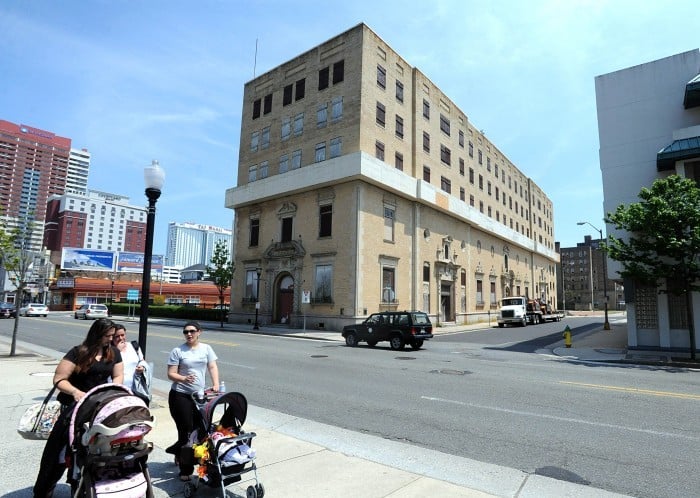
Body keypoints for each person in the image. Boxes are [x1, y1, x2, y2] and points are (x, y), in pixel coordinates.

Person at [33, 318, 123, 498]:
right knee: (59, 452)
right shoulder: (78, 352)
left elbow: (118, 375)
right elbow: (59, 379)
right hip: (72, 408)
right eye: (108, 336)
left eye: (113, 336)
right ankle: (44, 489)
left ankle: (81, 485)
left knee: (90, 452)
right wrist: (75, 392)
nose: (111, 339)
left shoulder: (113, 353)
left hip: (96, 408)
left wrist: (113, 392)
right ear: (97, 334)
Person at [166, 321, 220, 481]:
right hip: (180, 396)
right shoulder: (178, 351)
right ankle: (185, 470)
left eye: (191, 331)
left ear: (199, 332)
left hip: (199, 397)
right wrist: (183, 378)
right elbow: (170, 374)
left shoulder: (206, 348)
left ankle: (179, 452)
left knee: (201, 431)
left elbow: (212, 366)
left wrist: (216, 383)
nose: (188, 334)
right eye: (185, 332)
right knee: (186, 432)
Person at [111, 323, 146, 391]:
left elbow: (142, 361)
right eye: (117, 336)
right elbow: (107, 366)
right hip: (117, 388)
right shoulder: (110, 350)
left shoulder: (134, 346)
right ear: (112, 337)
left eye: (122, 335)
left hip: (135, 387)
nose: (120, 338)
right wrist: (117, 351)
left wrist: (142, 367)